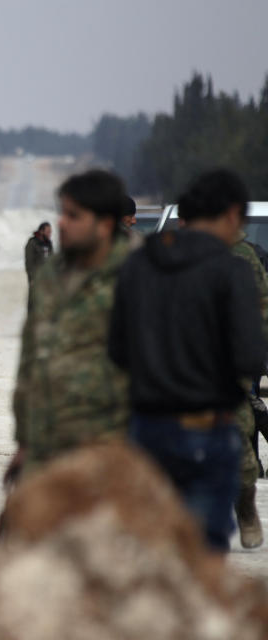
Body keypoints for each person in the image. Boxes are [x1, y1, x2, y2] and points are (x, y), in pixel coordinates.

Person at [109, 168, 266, 553]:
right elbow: (250, 355)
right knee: (203, 550)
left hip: (144, 428)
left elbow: (116, 349)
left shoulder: (138, 263)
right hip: (206, 427)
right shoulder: (233, 270)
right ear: (231, 215)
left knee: (147, 544)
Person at [8, 170, 131, 482]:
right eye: (62, 213)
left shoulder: (138, 274)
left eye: (74, 216)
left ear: (104, 224)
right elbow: (29, 361)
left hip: (111, 450)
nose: (61, 223)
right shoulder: (51, 275)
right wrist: (23, 441)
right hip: (47, 448)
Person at [230, 231, 268, 548]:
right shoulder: (181, 256)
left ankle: (245, 505)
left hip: (234, 363)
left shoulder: (247, 256)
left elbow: (262, 307)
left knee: (244, 421)